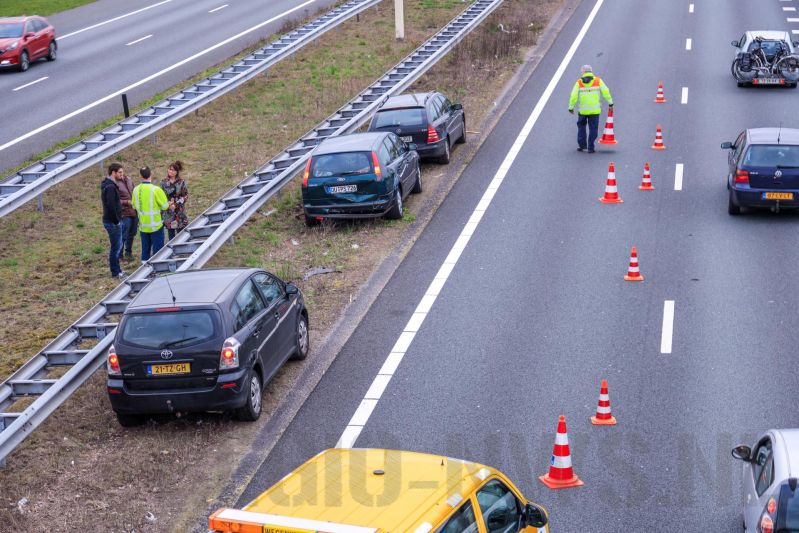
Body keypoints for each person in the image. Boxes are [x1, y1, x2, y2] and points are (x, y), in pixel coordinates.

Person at [568, 65, 613, 153]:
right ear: (591, 71)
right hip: (595, 111)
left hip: (583, 110)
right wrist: (610, 103)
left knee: (581, 126)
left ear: (583, 72)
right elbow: (606, 92)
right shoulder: (598, 81)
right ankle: (591, 147)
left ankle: (582, 145)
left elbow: (573, 96)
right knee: (593, 128)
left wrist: (571, 108)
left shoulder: (579, 82)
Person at [132, 166, 169, 263]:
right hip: (156, 226)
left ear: (140, 176)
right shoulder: (156, 189)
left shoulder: (136, 190)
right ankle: (157, 270)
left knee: (145, 250)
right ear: (151, 173)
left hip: (143, 226)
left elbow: (134, 206)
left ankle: (144, 270)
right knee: (158, 252)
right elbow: (165, 206)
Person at [101, 163, 127, 279]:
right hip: (113, 222)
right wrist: (116, 221)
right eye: (120, 172)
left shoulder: (109, 185)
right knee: (116, 248)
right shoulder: (110, 187)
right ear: (113, 173)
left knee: (117, 246)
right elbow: (111, 206)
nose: (122, 175)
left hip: (113, 221)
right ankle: (116, 272)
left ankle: (118, 270)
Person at [113, 164, 137, 262]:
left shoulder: (129, 180)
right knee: (123, 235)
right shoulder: (114, 184)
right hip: (124, 213)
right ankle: (120, 255)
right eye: (119, 172)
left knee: (132, 233)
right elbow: (115, 200)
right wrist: (127, 202)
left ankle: (128, 252)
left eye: (122, 172)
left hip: (134, 211)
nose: (122, 174)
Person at [160, 160, 189, 241]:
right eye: (169, 169)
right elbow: (160, 196)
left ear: (177, 172)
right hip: (169, 211)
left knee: (181, 231)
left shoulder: (181, 182)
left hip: (179, 211)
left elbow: (186, 195)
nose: (170, 171)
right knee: (170, 231)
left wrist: (176, 203)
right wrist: (168, 204)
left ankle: (182, 247)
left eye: (173, 170)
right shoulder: (164, 182)